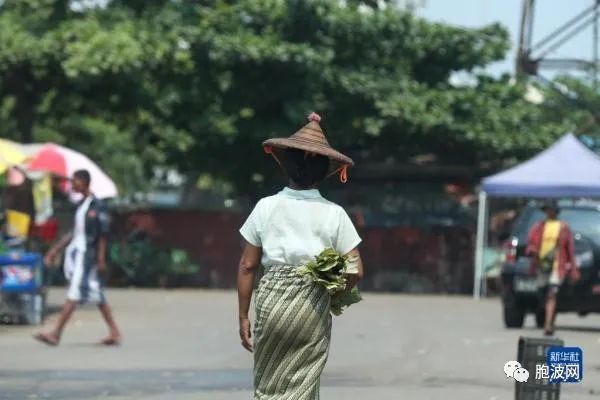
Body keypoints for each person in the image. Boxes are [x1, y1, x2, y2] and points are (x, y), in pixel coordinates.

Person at [237, 112, 364, 399]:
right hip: (312, 306)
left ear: (286, 166)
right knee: (303, 387)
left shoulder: (266, 207)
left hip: (271, 304)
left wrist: (243, 316)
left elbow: (247, 266)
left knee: (269, 386)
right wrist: (333, 293)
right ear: (325, 171)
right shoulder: (335, 214)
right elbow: (356, 269)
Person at [34, 169, 121, 346]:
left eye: (75, 181)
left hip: (87, 255)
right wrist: (55, 250)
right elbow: (75, 232)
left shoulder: (98, 206)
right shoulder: (81, 205)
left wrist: (101, 258)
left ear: (84, 182)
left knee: (75, 291)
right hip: (78, 252)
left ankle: (56, 333)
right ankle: (114, 332)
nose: (72, 185)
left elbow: (103, 234)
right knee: (95, 292)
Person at [526, 200, 580, 336]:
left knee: (552, 294)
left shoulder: (563, 227)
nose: (549, 212)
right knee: (543, 294)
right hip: (542, 265)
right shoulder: (539, 227)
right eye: (547, 210)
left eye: (551, 210)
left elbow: (570, 250)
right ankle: (550, 317)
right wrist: (532, 251)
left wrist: (573, 269)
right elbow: (531, 243)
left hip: (557, 266)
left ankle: (548, 324)